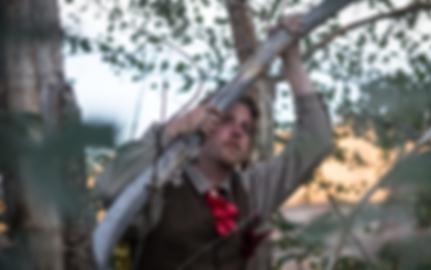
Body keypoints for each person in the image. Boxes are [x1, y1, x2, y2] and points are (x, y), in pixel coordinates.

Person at [96, 16, 333, 270]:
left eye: (247, 129)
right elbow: (109, 189)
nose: (238, 132)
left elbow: (316, 142)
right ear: (204, 124)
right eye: (227, 120)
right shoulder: (162, 184)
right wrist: (173, 129)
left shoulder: (252, 190)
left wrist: (292, 60)